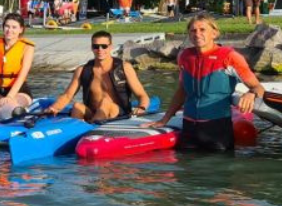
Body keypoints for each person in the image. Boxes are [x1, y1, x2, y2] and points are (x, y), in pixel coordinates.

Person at [147, 14, 265, 152]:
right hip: (189, 129)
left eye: (202, 29)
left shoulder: (229, 57)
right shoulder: (184, 56)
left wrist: (250, 94)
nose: (197, 34)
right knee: (187, 164)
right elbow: (182, 91)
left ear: (214, 33)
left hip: (217, 130)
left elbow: (258, 87)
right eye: (193, 30)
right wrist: (164, 119)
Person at [45, 31, 151, 122]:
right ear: (92, 48)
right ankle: (73, 133)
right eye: (96, 46)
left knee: (105, 102)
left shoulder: (125, 68)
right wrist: (54, 108)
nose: (100, 49)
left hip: (118, 114)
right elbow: (67, 96)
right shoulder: (82, 70)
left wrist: (141, 108)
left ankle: (92, 127)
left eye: (104, 46)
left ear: (110, 47)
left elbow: (142, 95)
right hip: (92, 113)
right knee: (77, 106)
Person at [0, 13, 35, 118]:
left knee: (11, 107)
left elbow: (22, 75)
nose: (9, 30)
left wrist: (10, 96)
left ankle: (17, 114)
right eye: (7, 26)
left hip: (19, 91)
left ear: (21, 29)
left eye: (14, 27)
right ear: (3, 27)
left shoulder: (27, 47)